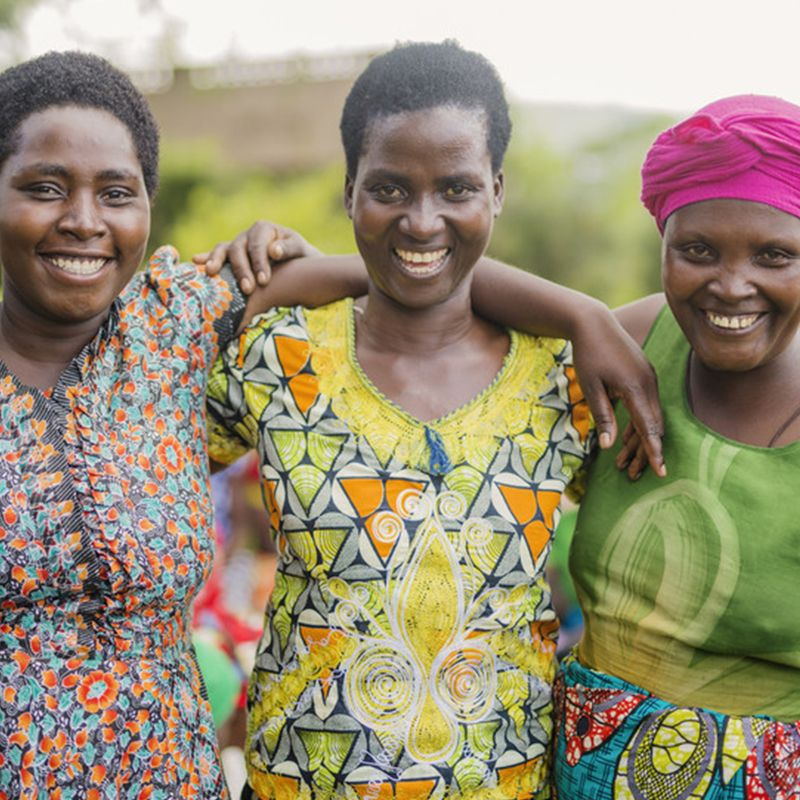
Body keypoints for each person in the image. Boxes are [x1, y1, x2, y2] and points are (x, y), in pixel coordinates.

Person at [205, 39, 645, 799]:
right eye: (388, 189)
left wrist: (583, 312)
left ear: (497, 191)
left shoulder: (563, 379)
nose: (421, 220)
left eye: (456, 188)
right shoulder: (276, 354)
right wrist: (299, 278)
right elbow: (133, 429)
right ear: (349, 192)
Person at [0, 49, 368, 797]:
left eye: (117, 193)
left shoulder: (172, 326)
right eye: (44, 188)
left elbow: (407, 265)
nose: (83, 221)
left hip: (172, 778)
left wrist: (584, 319)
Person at [553, 95, 800, 798]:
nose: (730, 285)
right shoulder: (637, 344)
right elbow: (446, 299)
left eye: (775, 255)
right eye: (696, 250)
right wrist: (581, 315)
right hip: (583, 767)